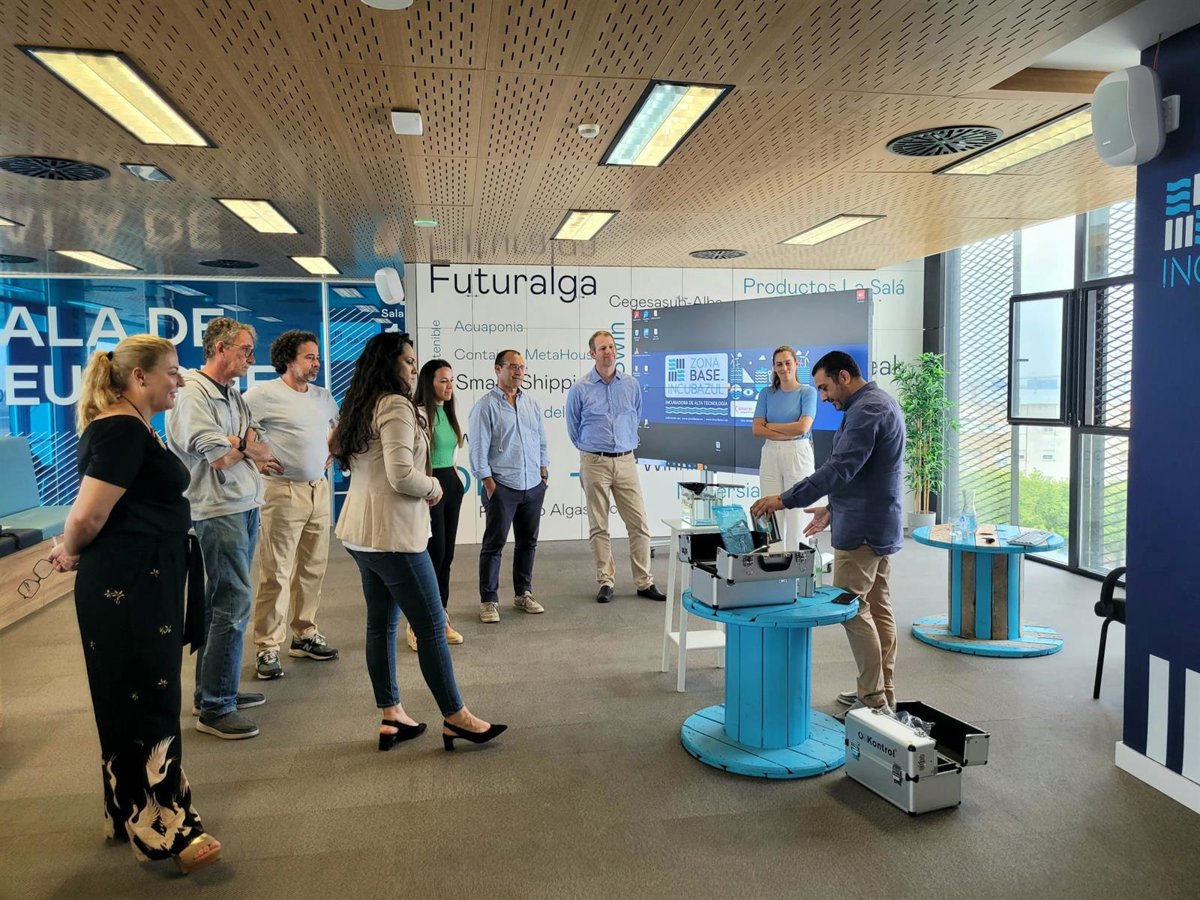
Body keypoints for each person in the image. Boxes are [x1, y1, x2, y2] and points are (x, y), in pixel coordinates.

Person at [49, 336, 221, 873]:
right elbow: (88, 515)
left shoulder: (135, 426)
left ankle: (129, 808)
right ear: (139, 377)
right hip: (126, 585)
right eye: (171, 371)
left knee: (138, 693)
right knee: (146, 697)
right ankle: (165, 826)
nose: (180, 380)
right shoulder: (121, 429)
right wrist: (69, 549)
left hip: (145, 578)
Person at [331, 332, 505, 752]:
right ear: (388, 364)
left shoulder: (360, 403)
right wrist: (433, 487)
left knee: (380, 626)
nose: (413, 368)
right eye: (408, 361)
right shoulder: (395, 405)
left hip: (361, 533)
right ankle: (456, 717)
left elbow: (337, 451)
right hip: (393, 535)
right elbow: (401, 475)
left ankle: (392, 715)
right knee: (430, 626)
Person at [751, 350, 905, 715]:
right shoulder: (877, 403)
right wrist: (833, 509)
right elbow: (865, 473)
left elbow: (839, 469)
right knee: (878, 607)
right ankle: (881, 690)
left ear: (844, 377)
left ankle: (874, 701)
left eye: (825, 388)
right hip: (876, 523)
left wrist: (784, 500)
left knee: (854, 610)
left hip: (862, 532)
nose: (823, 397)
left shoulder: (867, 411)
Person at [167, 317, 279, 740]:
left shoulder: (231, 393)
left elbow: (258, 440)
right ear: (219, 348)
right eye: (245, 350)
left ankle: (213, 690)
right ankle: (216, 707)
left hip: (243, 504)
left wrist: (240, 444)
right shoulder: (192, 394)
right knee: (232, 604)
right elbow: (216, 455)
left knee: (222, 603)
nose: (251, 358)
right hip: (217, 510)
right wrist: (241, 445)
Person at [244, 330, 340, 680]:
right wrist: (255, 457)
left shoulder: (323, 396)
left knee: (313, 568)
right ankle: (268, 646)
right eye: (309, 357)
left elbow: (338, 426)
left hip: (318, 490)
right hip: (282, 493)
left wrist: (332, 450)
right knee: (277, 572)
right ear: (288, 360)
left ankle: (304, 634)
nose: (316, 363)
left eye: (317, 357)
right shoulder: (263, 395)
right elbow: (241, 428)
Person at [565, 330, 665, 604]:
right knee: (599, 525)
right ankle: (606, 581)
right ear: (592, 354)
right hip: (594, 461)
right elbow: (573, 428)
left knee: (639, 523)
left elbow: (636, 416)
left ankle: (644, 582)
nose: (608, 351)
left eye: (611, 346)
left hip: (625, 460)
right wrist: (591, 449)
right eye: (602, 348)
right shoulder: (580, 388)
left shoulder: (631, 385)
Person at [467, 350, 550, 623]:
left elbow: (540, 440)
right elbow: (477, 448)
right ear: (498, 369)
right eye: (513, 366)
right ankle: (489, 600)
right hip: (502, 486)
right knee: (494, 545)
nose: (519, 371)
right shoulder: (485, 406)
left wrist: (543, 471)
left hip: (532, 485)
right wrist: (488, 483)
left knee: (528, 543)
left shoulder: (531, 404)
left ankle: (523, 593)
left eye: (522, 367)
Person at [412, 359, 466, 650]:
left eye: (451, 380)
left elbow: (451, 453)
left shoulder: (448, 412)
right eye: (443, 380)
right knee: (433, 556)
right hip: (430, 488)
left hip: (451, 486)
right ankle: (419, 623)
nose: (449, 386)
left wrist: (454, 479)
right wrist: (427, 487)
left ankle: (440, 614)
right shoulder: (419, 414)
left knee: (447, 557)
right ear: (429, 383)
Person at [752, 346, 819, 550]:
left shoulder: (807, 392)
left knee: (798, 513)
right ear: (773, 367)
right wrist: (788, 431)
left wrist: (771, 425)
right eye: (779, 364)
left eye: (788, 363)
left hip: (798, 453)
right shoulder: (766, 393)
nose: (784, 368)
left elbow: (803, 428)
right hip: (771, 453)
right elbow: (757, 429)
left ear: (796, 364)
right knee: (770, 512)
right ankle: (773, 561)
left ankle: (797, 562)